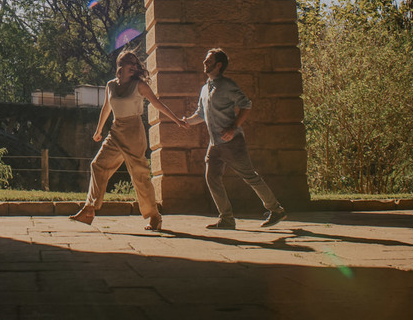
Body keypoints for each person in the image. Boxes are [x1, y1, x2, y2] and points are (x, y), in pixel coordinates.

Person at [69, 48, 188, 231]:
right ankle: (90, 208)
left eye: (135, 63)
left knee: (139, 174)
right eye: (130, 62)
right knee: (98, 165)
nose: (133, 66)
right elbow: (106, 109)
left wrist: (177, 120)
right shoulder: (111, 86)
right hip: (116, 130)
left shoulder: (139, 85)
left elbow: (157, 103)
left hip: (134, 131)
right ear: (120, 65)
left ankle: (154, 216)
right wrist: (98, 130)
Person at [182, 48, 287, 229]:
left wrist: (233, 127)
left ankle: (276, 209)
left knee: (249, 177)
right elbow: (201, 114)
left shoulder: (228, 85)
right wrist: (188, 122)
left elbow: (246, 105)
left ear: (218, 65)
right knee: (212, 177)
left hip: (232, 143)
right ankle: (227, 219)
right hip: (215, 144)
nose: (204, 64)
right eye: (205, 60)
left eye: (208, 61)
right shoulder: (205, 88)